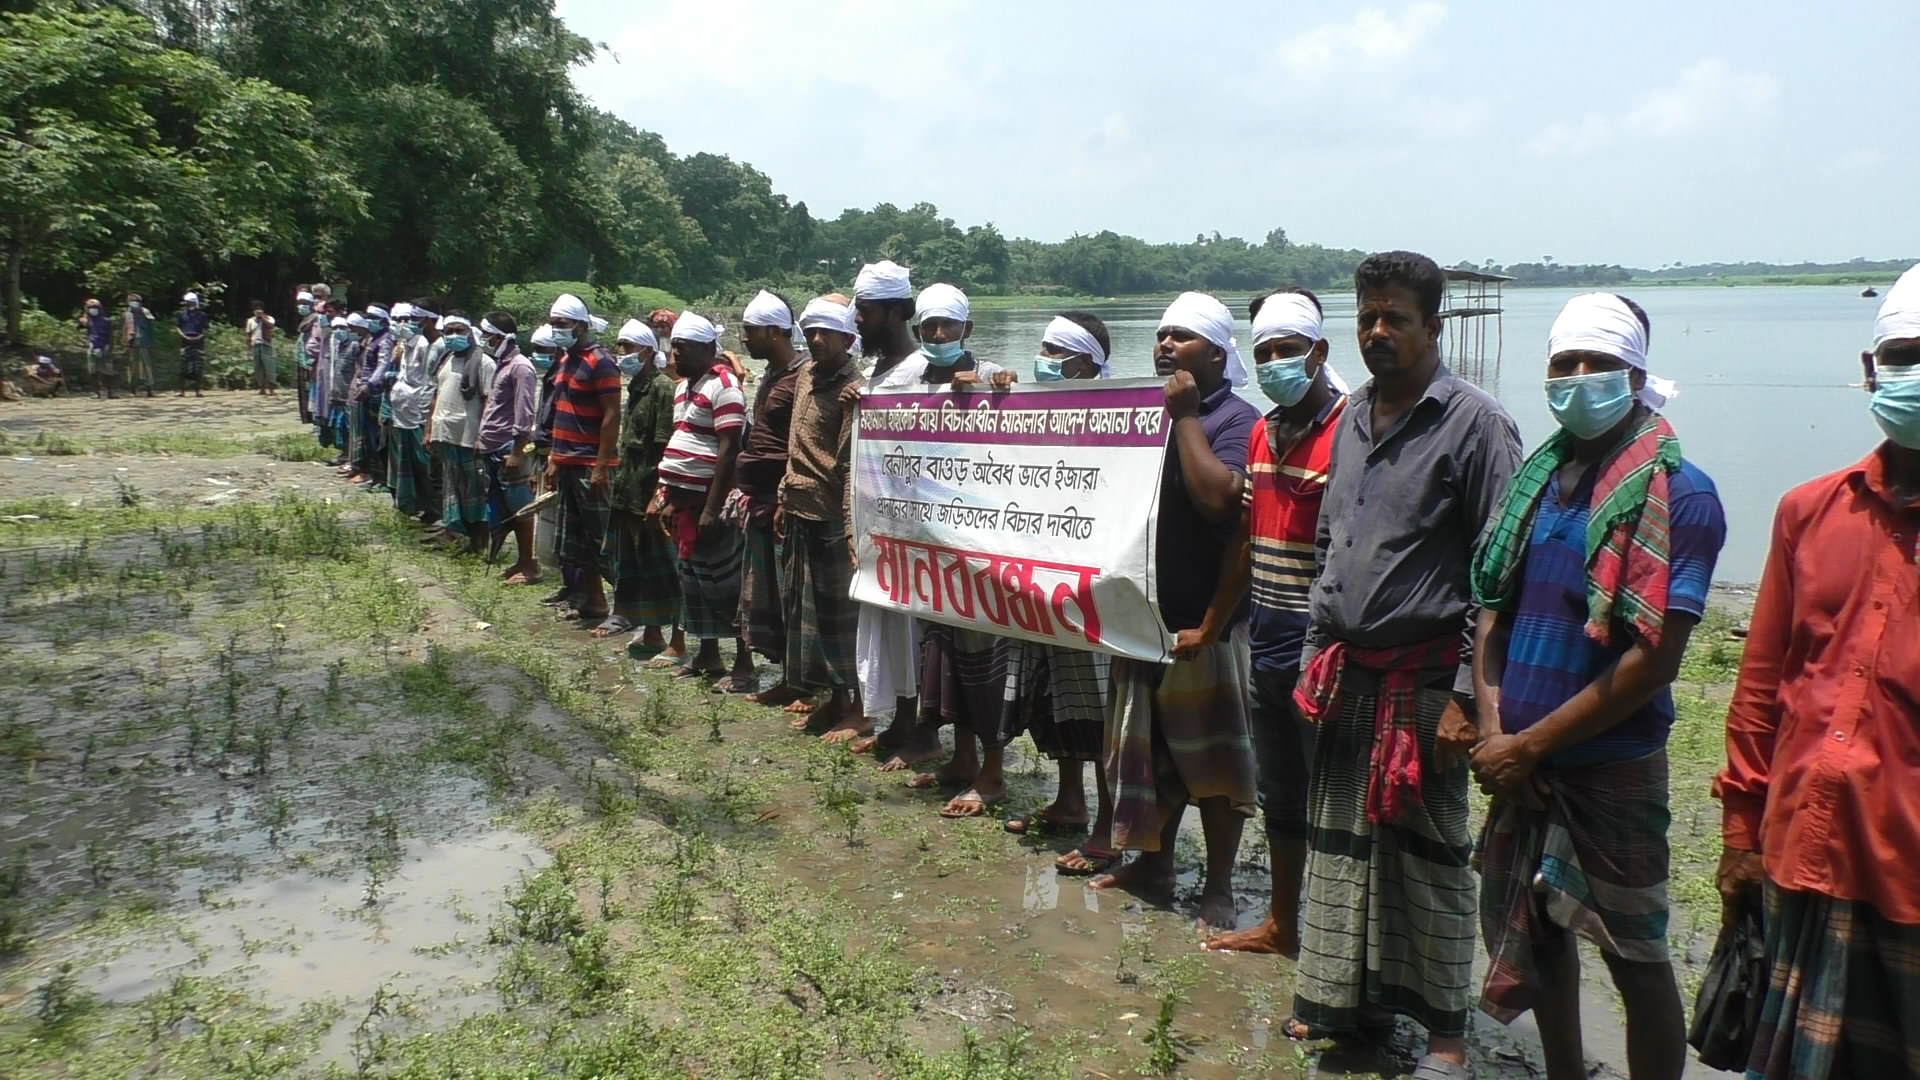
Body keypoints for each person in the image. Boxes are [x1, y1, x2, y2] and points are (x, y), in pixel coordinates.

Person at [1467, 293, 1722, 1080]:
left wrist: (1529, 743)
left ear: (1636, 375)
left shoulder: (1680, 494)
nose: (1579, 380)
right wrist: (1494, 730)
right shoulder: (1537, 483)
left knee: (1636, 956)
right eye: (1563, 365)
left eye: (1598, 365)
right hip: (1521, 758)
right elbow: (1490, 614)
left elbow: (1652, 660)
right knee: (1538, 933)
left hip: (1607, 765)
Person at [1289, 252, 1521, 1077]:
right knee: (1347, 851)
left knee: (1427, 862)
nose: (1378, 331)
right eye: (1366, 316)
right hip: (1349, 675)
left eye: (1395, 317)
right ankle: (1354, 1011)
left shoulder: (1475, 424)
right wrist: (1316, 651)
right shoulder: (1350, 416)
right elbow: (1330, 546)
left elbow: (1500, 573)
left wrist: (1467, 695)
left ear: (1433, 324)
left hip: (1426, 685)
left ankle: (1447, 1041)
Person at [1717, 263, 1920, 1080]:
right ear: (1872, 372)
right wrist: (1739, 833)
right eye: (1905, 355)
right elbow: (1763, 688)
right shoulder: (1811, 511)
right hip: (1808, 852)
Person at [1086, 291, 1259, 929]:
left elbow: (1220, 499)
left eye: (1181, 337)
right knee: (1145, 750)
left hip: (1205, 619)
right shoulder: (1143, 413)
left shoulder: (1234, 419)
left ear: (1216, 352)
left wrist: (1186, 417)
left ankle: (1218, 886)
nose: (1164, 345)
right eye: (1160, 334)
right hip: (1143, 615)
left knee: (1212, 760)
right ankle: (1153, 865)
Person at [1201, 290, 1350, 955]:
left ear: (1318, 354)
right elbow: (1245, 542)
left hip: (1324, 650)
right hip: (1267, 639)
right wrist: (1213, 624)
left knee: (1337, 803)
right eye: (1263, 353)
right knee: (1282, 797)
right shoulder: (1262, 431)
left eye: (1287, 351)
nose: (1275, 364)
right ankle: (1284, 927)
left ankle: (1332, 942)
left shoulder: (1350, 431)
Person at [999, 313, 1119, 876]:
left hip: (1089, 583)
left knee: (1097, 702)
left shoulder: (1120, 414)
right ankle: (1070, 800)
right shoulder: (1035, 408)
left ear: (1086, 363)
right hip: (1041, 576)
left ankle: (1108, 819)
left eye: (1054, 350)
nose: (1042, 358)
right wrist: (991, 395)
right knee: (1058, 692)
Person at [846, 260, 938, 771]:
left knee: (917, 632)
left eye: (865, 311)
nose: (857, 320)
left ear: (896, 312)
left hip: (917, 524)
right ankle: (899, 725)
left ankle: (924, 733)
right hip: (879, 522)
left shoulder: (924, 371)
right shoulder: (875, 373)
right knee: (887, 624)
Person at [776, 296, 867, 740]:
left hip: (831, 512)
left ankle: (855, 706)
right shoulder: (806, 375)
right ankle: (832, 700)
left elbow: (851, 463)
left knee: (840, 615)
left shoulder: (855, 386)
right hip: (798, 505)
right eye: (810, 332)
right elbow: (794, 440)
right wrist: (782, 495)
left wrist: (851, 526)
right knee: (804, 610)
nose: (815, 340)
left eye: (825, 333)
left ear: (848, 339)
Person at [654, 310, 754, 689]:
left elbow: (728, 449)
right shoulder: (684, 388)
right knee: (694, 582)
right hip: (685, 502)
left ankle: (744, 663)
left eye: (683, 348)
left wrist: (713, 508)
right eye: (673, 347)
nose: (675, 356)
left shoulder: (724, 386)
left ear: (707, 349)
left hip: (711, 503)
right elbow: (682, 442)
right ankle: (707, 654)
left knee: (727, 584)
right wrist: (667, 496)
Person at [735, 291, 807, 708]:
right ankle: (789, 676)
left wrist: (783, 497)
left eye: (749, 331)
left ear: (774, 332)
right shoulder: (774, 374)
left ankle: (800, 682)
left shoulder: (800, 377)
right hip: (759, 498)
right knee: (771, 595)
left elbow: (801, 441)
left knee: (791, 595)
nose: (744, 338)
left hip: (783, 500)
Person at [598, 317, 681, 654]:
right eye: (619, 347)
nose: (622, 354)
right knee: (630, 560)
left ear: (647, 351)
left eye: (628, 347)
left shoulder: (662, 387)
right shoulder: (634, 386)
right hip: (628, 488)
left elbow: (663, 445)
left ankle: (660, 632)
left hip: (646, 489)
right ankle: (644, 627)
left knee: (657, 564)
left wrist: (659, 494)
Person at [544, 295, 623, 623]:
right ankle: (594, 603)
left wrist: (602, 465)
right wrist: (554, 458)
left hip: (591, 463)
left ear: (580, 325)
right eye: (553, 324)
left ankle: (626, 610)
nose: (556, 330)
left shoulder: (600, 361)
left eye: (561, 324)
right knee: (577, 544)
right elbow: (562, 412)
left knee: (604, 542)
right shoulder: (566, 361)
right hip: (567, 461)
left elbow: (612, 414)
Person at [475, 313, 542, 582]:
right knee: (503, 508)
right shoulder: (502, 365)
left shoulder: (520, 367)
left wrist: (517, 451)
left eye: (489, 335)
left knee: (520, 508)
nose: (486, 340)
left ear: (502, 337)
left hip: (508, 448)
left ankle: (530, 564)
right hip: (493, 447)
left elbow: (524, 411)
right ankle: (519, 561)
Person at [423, 312, 496, 555]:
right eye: (449, 331)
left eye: (459, 331)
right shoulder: (446, 359)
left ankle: (479, 545)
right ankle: (456, 534)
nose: (454, 336)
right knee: (453, 488)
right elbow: (437, 396)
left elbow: (489, 403)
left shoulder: (483, 362)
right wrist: (429, 429)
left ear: (470, 332)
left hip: (468, 435)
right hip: (445, 433)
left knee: (476, 493)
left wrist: (481, 436)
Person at [386, 302, 439, 522]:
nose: (403, 325)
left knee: (423, 463)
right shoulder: (407, 344)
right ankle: (414, 504)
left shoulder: (426, 345)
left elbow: (429, 382)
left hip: (418, 413)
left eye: (408, 320)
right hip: (402, 412)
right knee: (405, 462)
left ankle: (432, 509)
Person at [346, 304, 393, 485]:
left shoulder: (385, 340)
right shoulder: (374, 338)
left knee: (375, 436)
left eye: (374, 317)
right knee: (365, 434)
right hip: (366, 390)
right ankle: (370, 472)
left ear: (382, 321)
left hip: (374, 393)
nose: (370, 320)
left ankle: (377, 475)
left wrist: (369, 384)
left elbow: (383, 364)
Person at [176, 291, 210, 397]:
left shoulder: (202, 315)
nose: (188, 304)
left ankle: (198, 391)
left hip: (198, 342)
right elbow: (178, 327)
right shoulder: (182, 314)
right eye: (187, 302)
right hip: (185, 342)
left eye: (190, 302)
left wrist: (199, 337)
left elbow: (205, 329)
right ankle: (182, 391)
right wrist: (184, 336)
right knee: (183, 366)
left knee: (198, 366)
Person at [80, 298, 115, 399]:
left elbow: (110, 335)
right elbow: (79, 326)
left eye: (95, 308)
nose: (93, 310)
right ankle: (97, 392)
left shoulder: (106, 321)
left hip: (104, 346)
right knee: (93, 371)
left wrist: (109, 346)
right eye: (90, 308)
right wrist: (82, 319)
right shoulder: (88, 320)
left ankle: (110, 392)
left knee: (108, 371)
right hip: (92, 346)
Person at [123, 293, 155, 397]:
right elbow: (124, 329)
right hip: (132, 343)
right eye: (132, 301)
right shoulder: (127, 314)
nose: (134, 303)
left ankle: (149, 389)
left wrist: (151, 343)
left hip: (144, 342)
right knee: (132, 367)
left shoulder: (145, 312)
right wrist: (125, 343)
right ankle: (132, 390)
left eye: (136, 301)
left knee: (147, 366)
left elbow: (151, 328)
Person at [294, 290, 318, 423]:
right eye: (299, 303)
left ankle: (313, 416)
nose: (301, 306)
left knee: (311, 388)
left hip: (311, 359)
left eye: (304, 303)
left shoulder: (314, 318)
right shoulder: (306, 320)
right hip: (303, 358)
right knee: (304, 389)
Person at [245, 300, 278, 395]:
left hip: (266, 345)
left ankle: (272, 388)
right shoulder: (250, 321)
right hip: (255, 344)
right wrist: (248, 348)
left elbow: (271, 325)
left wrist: (262, 317)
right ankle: (262, 387)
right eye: (256, 310)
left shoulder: (269, 318)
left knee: (269, 367)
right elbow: (248, 335)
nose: (257, 312)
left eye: (259, 309)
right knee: (258, 367)